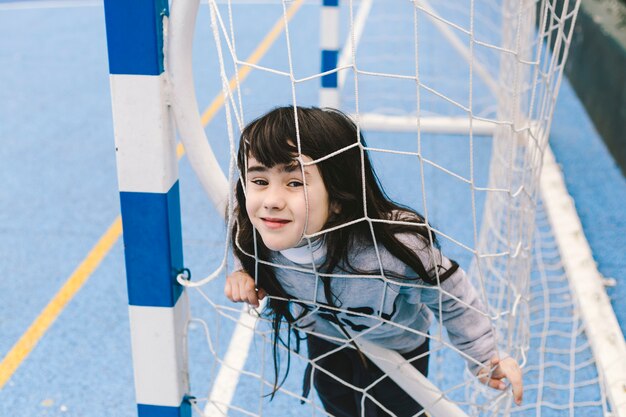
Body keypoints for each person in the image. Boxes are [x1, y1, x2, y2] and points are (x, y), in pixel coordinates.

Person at [224, 106, 523, 416]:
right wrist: (243, 272)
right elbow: (243, 239)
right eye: (259, 181)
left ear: (338, 197)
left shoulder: (393, 249)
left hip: (397, 348)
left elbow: (452, 296)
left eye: (294, 183)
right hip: (326, 338)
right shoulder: (259, 230)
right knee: (336, 403)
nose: (271, 200)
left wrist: (486, 358)